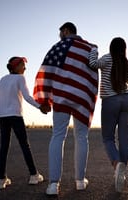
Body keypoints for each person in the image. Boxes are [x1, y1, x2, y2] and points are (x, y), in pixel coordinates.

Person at [33, 22, 98, 195]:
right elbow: (93, 73)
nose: (59, 35)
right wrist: (88, 94)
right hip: (82, 98)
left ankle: (54, 185)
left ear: (66, 31)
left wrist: (45, 99)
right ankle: (79, 181)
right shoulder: (91, 48)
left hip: (61, 97)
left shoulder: (58, 47)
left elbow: (47, 70)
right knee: (82, 137)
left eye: (60, 32)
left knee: (58, 136)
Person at [89, 37, 128, 192]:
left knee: (108, 138)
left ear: (111, 47)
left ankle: (116, 164)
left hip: (110, 101)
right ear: (124, 48)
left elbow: (93, 64)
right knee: (124, 140)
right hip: (127, 102)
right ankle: (121, 175)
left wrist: (94, 50)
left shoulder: (107, 58)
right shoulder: (127, 63)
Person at [0, 56, 44, 189]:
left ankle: (1, 180)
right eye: (22, 65)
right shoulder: (20, 78)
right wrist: (40, 107)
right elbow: (27, 97)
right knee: (24, 145)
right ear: (15, 67)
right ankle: (34, 175)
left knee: (4, 147)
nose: (25, 67)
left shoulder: (2, 79)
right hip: (15, 116)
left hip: (3, 117)